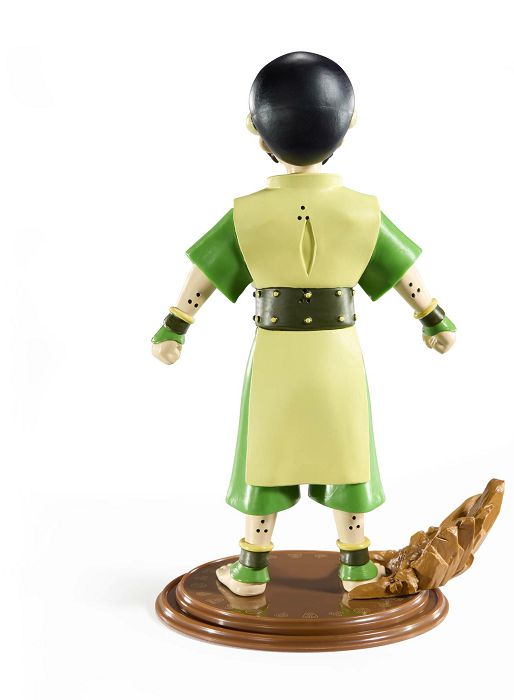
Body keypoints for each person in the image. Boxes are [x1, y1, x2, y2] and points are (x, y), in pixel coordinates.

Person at [151, 52, 456, 597]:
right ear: (350, 123)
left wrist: (175, 325)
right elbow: (405, 275)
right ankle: (356, 565)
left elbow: (205, 275)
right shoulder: (362, 211)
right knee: (347, 451)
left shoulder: (247, 213)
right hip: (338, 354)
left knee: (265, 454)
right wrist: (433, 317)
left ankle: (252, 567)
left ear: (255, 128)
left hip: (275, 356)